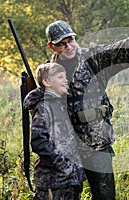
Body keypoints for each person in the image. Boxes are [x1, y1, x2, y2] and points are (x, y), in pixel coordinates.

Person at [29, 20, 129, 200]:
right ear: (51, 46)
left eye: (71, 40)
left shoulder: (94, 59)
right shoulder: (49, 71)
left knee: (104, 195)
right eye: (62, 43)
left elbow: (119, 50)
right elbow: (41, 104)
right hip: (66, 148)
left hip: (96, 144)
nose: (68, 46)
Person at [23, 62, 86, 200]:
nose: (65, 80)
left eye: (65, 77)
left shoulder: (59, 103)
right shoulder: (44, 107)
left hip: (68, 180)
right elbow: (39, 142)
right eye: (60, 77)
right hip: (54, 182)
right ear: (46, 82)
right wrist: (64, 165)